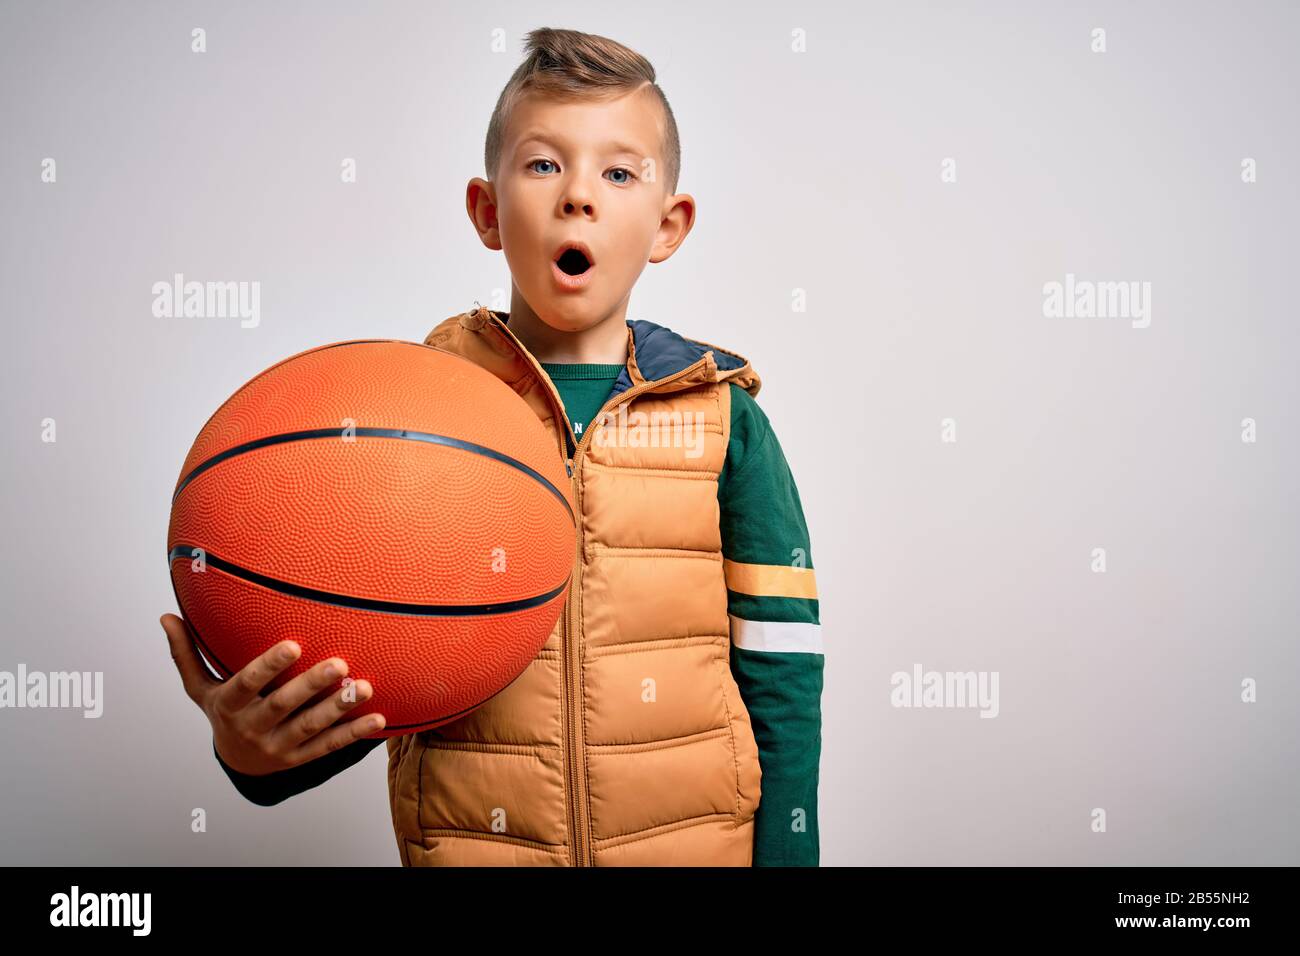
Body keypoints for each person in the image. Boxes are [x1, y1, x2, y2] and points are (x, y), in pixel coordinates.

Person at [161, 26, 823, 867]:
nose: (578, 195)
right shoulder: (409, 420)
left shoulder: (723, 417)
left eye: (619, 173)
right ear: (486, 210)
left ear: (669, 224)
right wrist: (254, 760)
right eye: (544, 163)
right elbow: (372, 658)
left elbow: (783, 665)